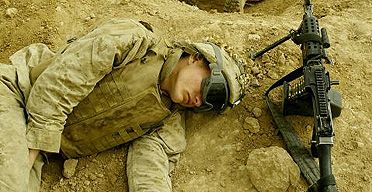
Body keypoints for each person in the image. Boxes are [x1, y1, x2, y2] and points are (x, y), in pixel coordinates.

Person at [0, 18, 246, 192]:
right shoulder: (135, 41)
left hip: (39, 148)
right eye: (211, 89)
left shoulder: (167, 118)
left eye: (209, 104)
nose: (200, 101)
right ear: (196, 58)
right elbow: (63, 79)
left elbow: (150, 168)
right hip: (17, 94)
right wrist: (28, 158)